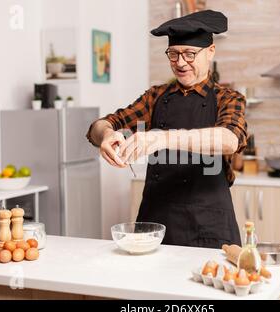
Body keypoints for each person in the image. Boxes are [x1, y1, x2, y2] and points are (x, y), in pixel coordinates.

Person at [86, 10, 248, 248]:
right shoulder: (156, 97)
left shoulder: (228, 98)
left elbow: (229, 139)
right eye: (173, 54)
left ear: (210, 52)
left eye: (190, 54)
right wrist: (107, 136)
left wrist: (160, 139)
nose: (180, 63)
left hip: (210, 226)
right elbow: (99, 126)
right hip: (156, 223)